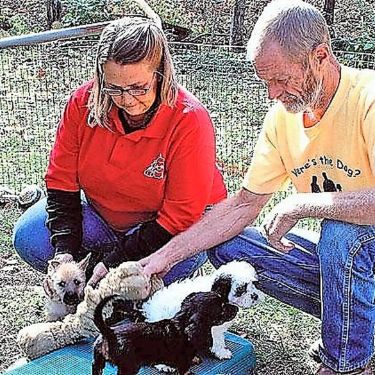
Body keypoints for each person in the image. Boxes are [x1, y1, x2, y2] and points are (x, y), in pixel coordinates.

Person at [140, 1, 375, 374]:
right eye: (265, 81)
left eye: (280, 79)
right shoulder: (283, 118)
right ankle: (358, 324)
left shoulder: (369, 98)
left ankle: (345, 364)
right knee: (230, 247)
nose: (272, 93)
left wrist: (304, 204)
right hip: (348, 271)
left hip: (357, 249)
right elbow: (241, 205)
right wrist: (158, 260)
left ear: (320, 56)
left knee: (341, 234)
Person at [12, 16, 227, 287]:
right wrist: (64, 251)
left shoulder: (190, 119)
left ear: (161, 75)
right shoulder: (82, 103)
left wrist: (116, 260)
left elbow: (181, 214)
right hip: (103, 216)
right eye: (113, 87)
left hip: (173, 228)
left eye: (138, 87)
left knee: (138, 289)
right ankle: (93, 282)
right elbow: (61, 181)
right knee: (29, 236)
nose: (126, 100)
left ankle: (140, 280)